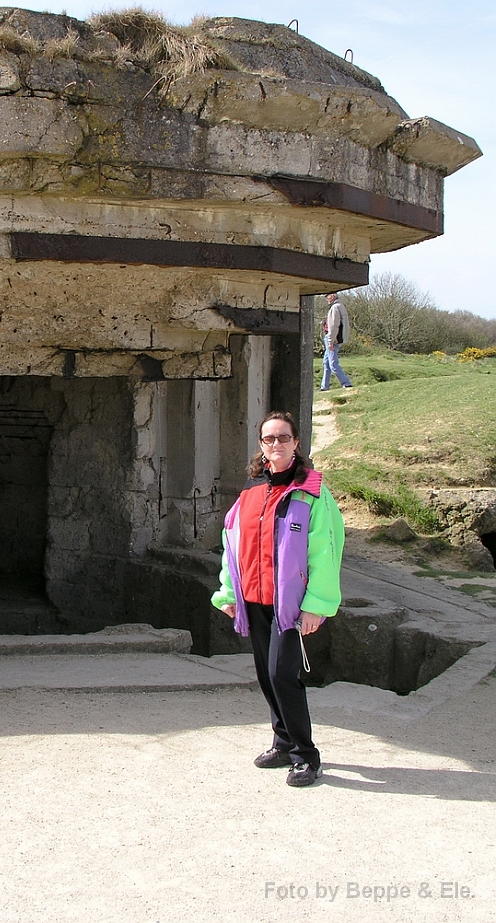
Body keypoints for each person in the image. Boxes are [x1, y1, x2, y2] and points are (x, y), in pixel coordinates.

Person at [211, 411, 344, 787]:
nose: (276, 444)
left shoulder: (313, 493)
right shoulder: (251, 492)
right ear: (261, 445)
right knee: (265, 677)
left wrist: (316, 604)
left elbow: (326, 551)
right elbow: (231, 545)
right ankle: (283, 742)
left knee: (282, 675)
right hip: (254, 600)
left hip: (289, 606)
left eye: (283, 438)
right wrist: (229, 593)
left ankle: (306, 755)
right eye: (269, 439)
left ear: (296, 443)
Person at [320, 292, 352, 390]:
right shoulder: (340, 306)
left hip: (333, 339)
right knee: (326, 363)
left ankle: (346, 383)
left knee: (333, 364)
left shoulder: (335, 308)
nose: (327, 299)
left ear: (333, 296)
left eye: (327, 297)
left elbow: (334, 326)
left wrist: (330, 341)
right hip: (337, 338)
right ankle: (324, 386)